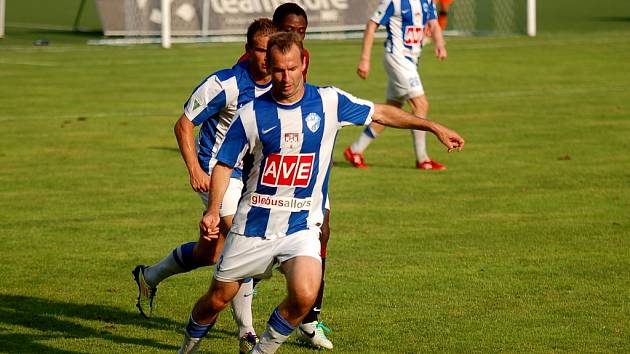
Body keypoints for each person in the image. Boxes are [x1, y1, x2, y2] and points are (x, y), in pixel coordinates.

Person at [177, 31, 464, 354]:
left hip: (301, 226)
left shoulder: (329, 102)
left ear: (303, 64)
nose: (286, 77)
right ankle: (186, 349)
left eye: (292, 68)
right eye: (278, 70)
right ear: (268, 68)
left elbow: (382, 112)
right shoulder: (250, 114)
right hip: (253, 226)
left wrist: (433, 126)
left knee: (305, 293)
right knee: (215, 300)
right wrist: (214, 210)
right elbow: (224, 165)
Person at [132, 18, 277, 353]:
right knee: (244, 242)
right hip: (215, 172)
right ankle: (247, 333)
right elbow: (183, 125)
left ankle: (149, 277)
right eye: (259, 50)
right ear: (247, 50)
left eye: (270, 50)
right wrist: (195, 170)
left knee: (210, 251)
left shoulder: (277, 86)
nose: (266, 58)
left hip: (249, 176)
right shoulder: (224, 84)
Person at [240, 3, 333, 349]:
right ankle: (245, 320)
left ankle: (310, 320)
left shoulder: (300, 55)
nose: (297, 34)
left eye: (303, 30)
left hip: (306, 167)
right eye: (290, 28)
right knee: (254, 252)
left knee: (322, 232)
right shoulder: (253, 61)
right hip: (265, 173)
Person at [345, 0, 448, 170]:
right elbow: (372, 25)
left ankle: (355, 150)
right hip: (397, 58)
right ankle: (423, 159)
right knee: (421, 104)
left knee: (391, 109)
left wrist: (440, 44)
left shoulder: (427, 1)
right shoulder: (394, 2)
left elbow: (434, 24)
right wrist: (365, 59)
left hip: (412, 61)